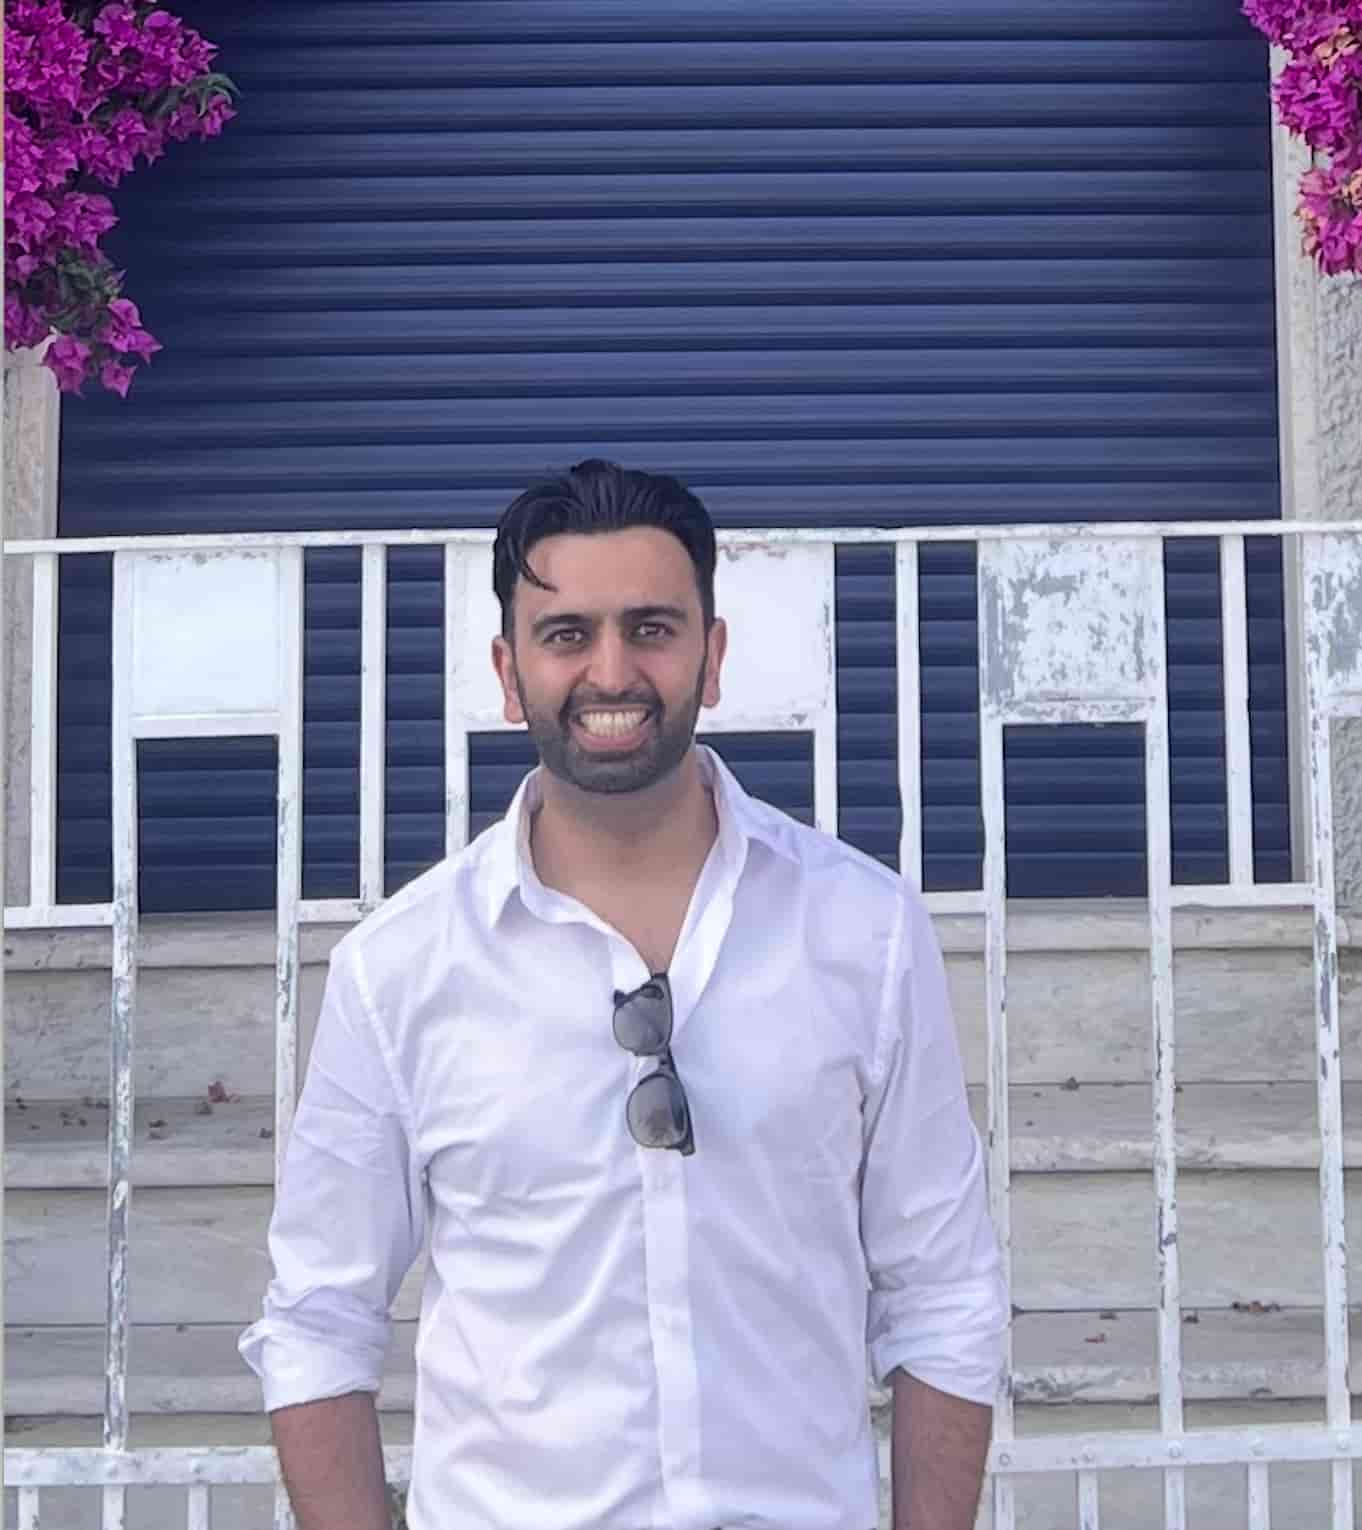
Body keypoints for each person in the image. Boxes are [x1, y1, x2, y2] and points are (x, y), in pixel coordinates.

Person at [240, 459, 1007, 1530]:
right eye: (567, 636)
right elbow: (319, 1321)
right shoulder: (401, 968)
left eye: (651, 628)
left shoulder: (861, 931)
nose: (611, 671)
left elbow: (941, 1294)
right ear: (508, 675)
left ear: (713, 653)